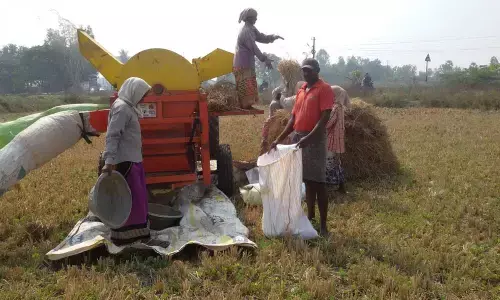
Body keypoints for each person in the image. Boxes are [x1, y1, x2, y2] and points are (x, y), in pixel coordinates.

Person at [270, 58, 334, 236]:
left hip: (315, 140)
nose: (306, 73)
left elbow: (324, 118)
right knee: (307, 180)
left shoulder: (324, 89)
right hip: (298, 138)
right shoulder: (301, 91)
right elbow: (292, 119)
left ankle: (323, 226)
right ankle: (311, 216)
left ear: (317, 70)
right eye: (304, 70)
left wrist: (309, 138)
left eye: (310, 70)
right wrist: (279, 139)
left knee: (318, 182)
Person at [102, 77, 151, 246]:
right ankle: (126, 237)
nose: (144, 99)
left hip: (133, 160)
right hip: (125, 162)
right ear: (133, 91)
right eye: (142, 94)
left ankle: (138, 235)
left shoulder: (128, 107)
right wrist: (109, 161)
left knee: (137, 198)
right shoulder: (122, 108)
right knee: (129, 199)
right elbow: (112, 135)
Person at [233, 8, 283, 108]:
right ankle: (245, 105)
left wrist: (273, 37)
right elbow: (253, 47)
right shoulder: (246, 31)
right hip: (242, 64)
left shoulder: (251, 28)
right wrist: (264, 58)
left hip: (247, 64)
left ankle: (246, 105)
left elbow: (261, 37)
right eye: (255, 17)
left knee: (249, 86)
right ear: (249, 18)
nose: (256, 19)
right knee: (245, 87)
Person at [326, 85, 351, 193]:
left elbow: (328, 123)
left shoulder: (335, 108)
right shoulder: (341, 107)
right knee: (337, 161)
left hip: (331, 138)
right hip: (338, 139)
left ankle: (328, 186)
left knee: (329, 161)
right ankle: (341, 187)